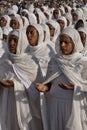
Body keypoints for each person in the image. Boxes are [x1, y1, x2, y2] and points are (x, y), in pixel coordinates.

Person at [36, 27, 87, 130]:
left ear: (74, 43)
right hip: (55, 105)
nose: (62, 45)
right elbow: (50, 83)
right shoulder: (54, 61)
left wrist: (75, 87)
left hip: (72, 107)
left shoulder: (82, 62)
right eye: (61, 42)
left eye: (66, 42)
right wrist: (45, 87)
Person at [0, 29, 43, 130]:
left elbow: (35, 87)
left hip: (24, 103)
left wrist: (15, 85)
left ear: (22, 42)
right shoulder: (4, 59)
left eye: (15, 40)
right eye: (10, 40)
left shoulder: (30, 62)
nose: (11, 43)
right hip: (5, 102)